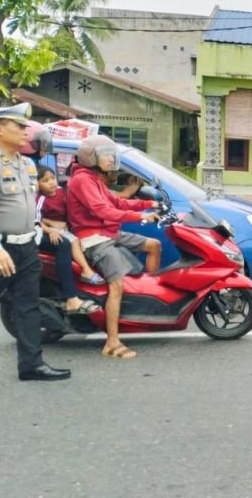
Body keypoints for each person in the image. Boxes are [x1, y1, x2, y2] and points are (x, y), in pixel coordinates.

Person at [0, 104, 71, 381]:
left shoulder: (26, 165)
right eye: (19, 126)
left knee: (28, 306)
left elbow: (29, 206)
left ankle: (32, 365)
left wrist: (36, 230)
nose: (26, 132)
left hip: (26, 248)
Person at [67, 135, 161, 360]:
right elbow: (103, 210)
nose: (111, 159)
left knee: (154, 245)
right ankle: (111, 342)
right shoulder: (82, 180)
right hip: (93, 238)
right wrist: (140, 216)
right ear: (91, 158)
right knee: (116, 285)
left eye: (111, 155)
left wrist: (150, 204)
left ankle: (147, 298)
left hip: (108, 232)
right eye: (106, 155)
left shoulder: (95, 179)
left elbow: (117, 202)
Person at [36, 165, 105, 315]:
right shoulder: (41, 199)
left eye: (53, 178)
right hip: (46, 232)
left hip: (65, 228)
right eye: (45, 180)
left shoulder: (62, 192)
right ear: (37, 184)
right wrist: (51, 229)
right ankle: (86, 272)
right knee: (70, 242)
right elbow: (35, 221)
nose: (51, 183)